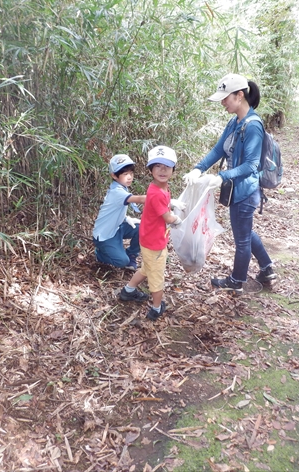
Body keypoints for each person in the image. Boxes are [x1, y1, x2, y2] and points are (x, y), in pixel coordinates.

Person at [183, 73, 276, 294]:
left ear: (240, 95)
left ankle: (237, 281)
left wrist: (221, 177)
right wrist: (198, 168)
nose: (223, 102)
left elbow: (252, 165)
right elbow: (218, 149)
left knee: (241, 238)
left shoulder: (252, 126)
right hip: (238, 189)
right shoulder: (235, 122)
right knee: (244, 230)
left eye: (226, 98)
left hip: (246, 191)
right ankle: (267, 268)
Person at [117, 146, 183, 321]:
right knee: (156, 278)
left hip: (150, 239)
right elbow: (168, 217)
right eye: (157, 166)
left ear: (173, 170)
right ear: (151, 170)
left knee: (147, 268)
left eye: (167, 167)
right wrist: (177, 219)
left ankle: (128, 291)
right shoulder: (157, 193)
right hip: (154, 243)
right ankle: (156, 307)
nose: (162, 170)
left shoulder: (160, 188)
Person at [93, 154, 145, 270]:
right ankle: (100, 254)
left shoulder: (121, 187)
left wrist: (126, 218)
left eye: (131, 173)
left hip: (117, 227)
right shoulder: (117, 191)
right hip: (104, 236)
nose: (129, 177)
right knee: (122, 261)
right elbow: (141, 199)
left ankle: (132, 255)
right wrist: (166, 200)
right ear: (114, 175)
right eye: (125, 174)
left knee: (142, 227)